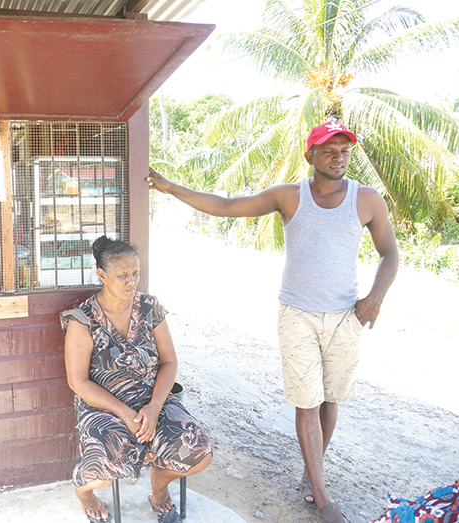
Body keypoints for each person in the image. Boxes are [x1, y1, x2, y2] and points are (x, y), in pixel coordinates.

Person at [145, 121, 399, 523]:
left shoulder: (367, 200)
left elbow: (390, 253)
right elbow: (228, 205)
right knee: (306, 400)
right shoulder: (289, 196)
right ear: (310, 155)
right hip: (297, 315)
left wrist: (375, 298)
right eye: (329, 149)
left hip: (346, 316)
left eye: (345, 151)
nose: (338, 157)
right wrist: (173, 188)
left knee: (331, 398)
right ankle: (320, 493)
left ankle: (308, 473)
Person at [61, 236, 212, 523]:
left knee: (200, 452)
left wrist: (154, 407)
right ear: (102, 276)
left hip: (153, 401)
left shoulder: (150, 307)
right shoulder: (83, 320)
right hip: (104, 408)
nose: (132, 281)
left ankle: (158, 484)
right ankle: (86, 495)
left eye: (136, 273)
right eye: (123, 275)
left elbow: (169, 361)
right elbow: (78, 382)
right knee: (100, 473)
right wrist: (125, 413)